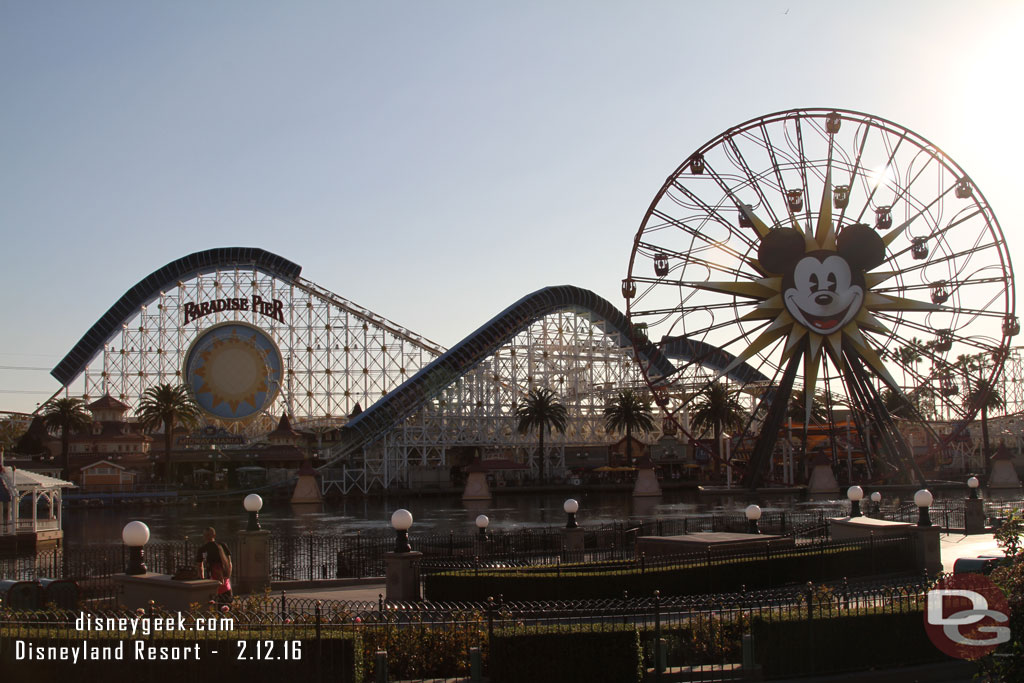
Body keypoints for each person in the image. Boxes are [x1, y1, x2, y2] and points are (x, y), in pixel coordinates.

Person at [195, 527, 232, 603]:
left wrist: (202, 579)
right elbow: (229, 562)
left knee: (214, 604)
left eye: (207, 535)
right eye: (206, 535)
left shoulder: (202, 549)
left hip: (211, 580)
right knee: (227, 604)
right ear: (214, 535)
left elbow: (200, 566)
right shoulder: (222, 545)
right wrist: (228, 574)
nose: (206, 537)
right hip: (225, 580)